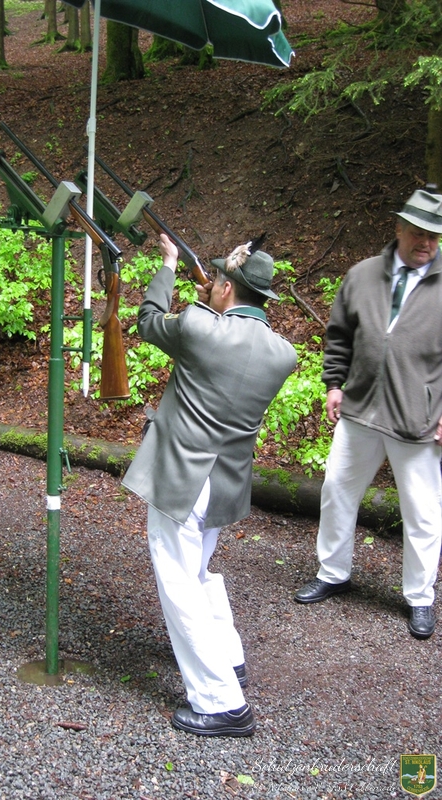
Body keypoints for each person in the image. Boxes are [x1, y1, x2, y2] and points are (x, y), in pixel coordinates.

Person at [122, 233, 297, 737]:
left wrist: (169, 264)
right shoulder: (283, 354)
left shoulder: (200, 325)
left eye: (219, 280)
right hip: (224, 485)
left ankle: (222, 703)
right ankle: (227, 657)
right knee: (196, 573)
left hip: (181, 478)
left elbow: (148, 319)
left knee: (177, 582)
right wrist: (212, 301)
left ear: (224, 288)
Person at [295, 189, 442, 640]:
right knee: (337, 491)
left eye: (434, 236)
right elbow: (339, 335)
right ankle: (333, 572)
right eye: (418, 233)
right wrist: (334, 384)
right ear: (398, 229)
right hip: (359, 408)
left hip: (417, 419)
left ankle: (420, 597)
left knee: (423, 513)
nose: (427, 243)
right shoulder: (362, 275)